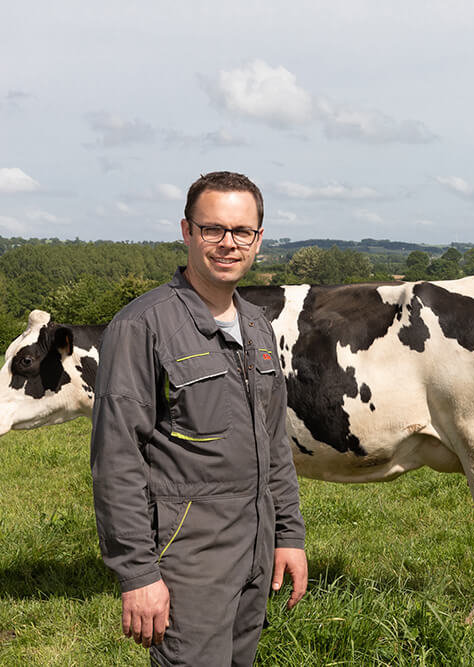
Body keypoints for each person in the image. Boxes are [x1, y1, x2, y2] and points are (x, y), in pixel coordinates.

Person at [90, 171, 308, 665]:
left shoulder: (257, 326)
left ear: (257, 240)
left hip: (256, 547)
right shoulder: (141, 326)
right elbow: (116, 461)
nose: (228, 244)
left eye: (242, 232)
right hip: (189, 560)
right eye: (213, 230)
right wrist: (139, 574)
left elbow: (274, 445)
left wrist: (288, 536)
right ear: (187, 231)